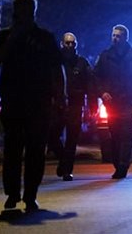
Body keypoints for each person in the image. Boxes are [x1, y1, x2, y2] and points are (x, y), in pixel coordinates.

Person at [0, 0, 66, 211]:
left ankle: (30, 194)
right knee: (13, 150)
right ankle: (12, 193)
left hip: (39, 102)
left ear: (32, 12)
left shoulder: (44, 38)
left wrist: (61, 95)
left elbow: (57, 68)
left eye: (25, 10)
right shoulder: (5, 35)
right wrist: (13, 39)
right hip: (13, 101)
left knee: (35, 150)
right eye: (18, 11)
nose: (20, 15)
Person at [94, 24, 132, 179]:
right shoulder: (105, 56)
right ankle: (117, 163)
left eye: (118, 36)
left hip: (129, 101)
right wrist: (102, 92)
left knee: (127, 135)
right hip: (112, 102)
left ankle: (123, 166)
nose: (115, 38)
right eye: (113, 35)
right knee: (114, 135)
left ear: (125, 38)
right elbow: (96, 77)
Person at [48, 32, 95, 181]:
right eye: (67, 43)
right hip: (58, 105)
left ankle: (67, 170)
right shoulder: (55, 63)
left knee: (72, 140)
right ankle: (63, 160)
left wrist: (92, 105)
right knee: (52, 136)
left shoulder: (82, 63)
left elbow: (90, 84)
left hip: (75, 105)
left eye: (72, 43)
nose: (69, 46)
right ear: (62, 44)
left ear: (76, 45)